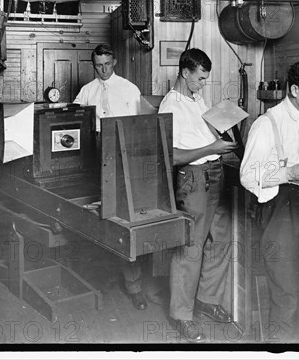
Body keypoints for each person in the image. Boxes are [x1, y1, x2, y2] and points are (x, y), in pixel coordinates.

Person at [240, 59, 299, 342]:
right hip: (281, 209)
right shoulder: (267, 124)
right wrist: (289, 171)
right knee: (286, 293)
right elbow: (247, 174)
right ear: (294, 89)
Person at [158, 48, 238, 342]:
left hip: (216, 173)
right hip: (194, 179)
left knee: (221, 241)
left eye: (205, 79)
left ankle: (207, 299)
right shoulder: (170, 106)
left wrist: (223, 134)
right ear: (185, 72)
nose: (203, 84)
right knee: (189, 247)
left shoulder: (196, 98)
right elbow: (173, 155)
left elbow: (206, 132)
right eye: (200, 78)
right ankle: (181, 313)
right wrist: (211, 149)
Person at [73, 43, 155, 311]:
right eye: (98, 65)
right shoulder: (86, 91)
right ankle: (95, 279)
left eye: (107, 64)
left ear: (115, 61)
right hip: (93, 153)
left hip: (123, 153)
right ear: (92, 64)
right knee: (97, 216)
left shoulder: (129, 89)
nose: (103, 69)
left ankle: (134, 287)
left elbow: (141, 125)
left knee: (124, 217)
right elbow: (73, 120)